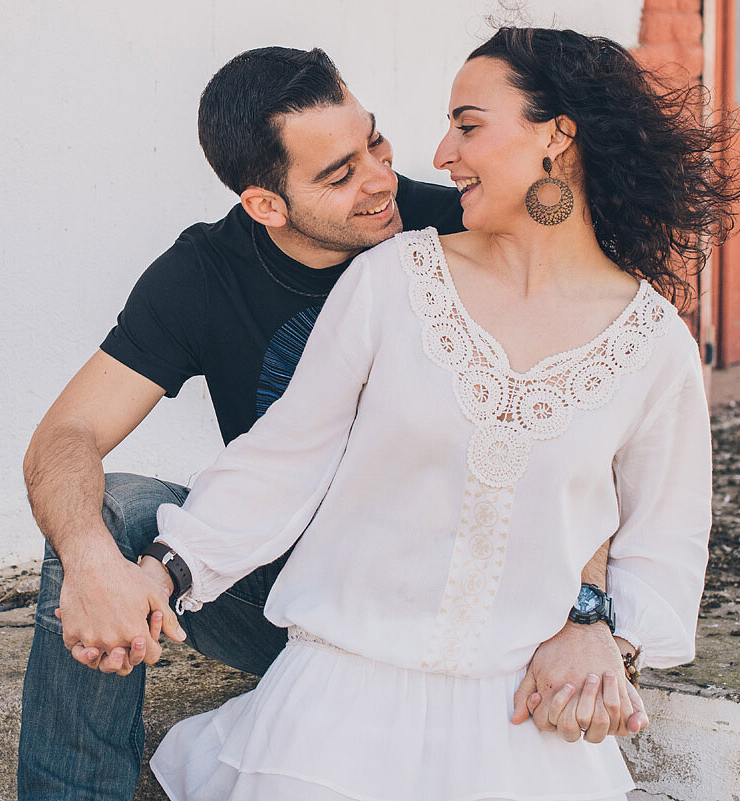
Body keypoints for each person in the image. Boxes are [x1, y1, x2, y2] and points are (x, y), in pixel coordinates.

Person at [19, 46, 647, 801]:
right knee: (106, 513)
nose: (383, 180)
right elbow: (66, 436)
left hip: (451, 599)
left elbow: (595, 427)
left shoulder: (458, 228)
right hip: (280, 585)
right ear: (266, 205)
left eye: (374, 144)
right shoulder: (204, 275)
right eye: (339, 174)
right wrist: (93, 566)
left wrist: (588, 613)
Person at [145, 27, 736, 801]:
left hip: (524, 722)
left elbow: (663, 542)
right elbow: (282, 459)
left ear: (557, 135)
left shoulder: (654, 344)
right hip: (335, 708)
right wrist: (168, 565)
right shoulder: (394, 280)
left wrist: (602, 631)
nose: (440, 152)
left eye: (468, 123)